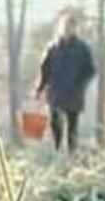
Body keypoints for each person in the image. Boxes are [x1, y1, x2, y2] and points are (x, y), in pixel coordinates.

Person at [34, 12, 96, 152]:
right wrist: (39, 88)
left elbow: (90, 70)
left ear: (75, 29)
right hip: (56, 91)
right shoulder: (53, 48)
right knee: (55, 122)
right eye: (66, 26)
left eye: (71, 26)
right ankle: (57, 149)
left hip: (74, 92)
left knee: (72, 126)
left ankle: (71, 153)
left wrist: (81, 83)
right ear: (60, 28)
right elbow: (45, 69)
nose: (68, 29)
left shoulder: (82, 48)